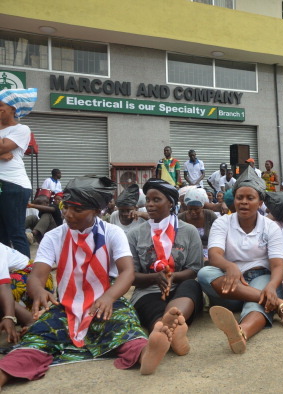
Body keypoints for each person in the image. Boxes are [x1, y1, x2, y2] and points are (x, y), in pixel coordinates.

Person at [0, 176, 172, 389]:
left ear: (97, 211)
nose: (68, 215)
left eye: (77, 210)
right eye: (66, 208)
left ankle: (146, 353)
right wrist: (38, 292)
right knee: (40, 335)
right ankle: (4, 373)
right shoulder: (54, 236)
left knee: (124, 326)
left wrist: (109, 297)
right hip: (64, 307)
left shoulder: (112, 233)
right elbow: (36, 276)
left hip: (105, 303)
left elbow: (127, 272)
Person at [197, 167, 283, 354]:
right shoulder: (222, 222)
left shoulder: (270, 227)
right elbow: (215, 254)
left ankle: (242, 333)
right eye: (239, 197)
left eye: (250, 198)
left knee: (258, 301)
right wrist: (230, 266)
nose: (243, 202)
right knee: (204, 273)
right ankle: (277, 303)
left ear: (260, 202)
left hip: (260, 277)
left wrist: (272, 286)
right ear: (234, 200)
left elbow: (277, 264)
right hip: (230, 286)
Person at [128, 179, 203, 358]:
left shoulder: (189, 231)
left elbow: (194, 269)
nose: (150, 205)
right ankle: (168, 330)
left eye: (156, 200)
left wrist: (173, 276)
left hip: (180, 288)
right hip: (148, 290)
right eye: (148, 200)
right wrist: (154, 278)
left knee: (191, 286)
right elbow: (130, 275)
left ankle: (167, 328)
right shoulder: (135, 234)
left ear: (170, 203)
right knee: (150, 305)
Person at [0, 88, 37, 258]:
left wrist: (2, 150)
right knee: (2, 236)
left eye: (1, 105)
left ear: (13, 109)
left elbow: (3, 147)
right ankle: (6, 275)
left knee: (15, 232)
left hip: (13, 185)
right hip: (2, 185)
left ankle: (25, 275)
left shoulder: (22, 129)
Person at [178, 187, 218, 261]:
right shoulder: (180, 218)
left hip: (209, 251)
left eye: (196, 209)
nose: (193, 212)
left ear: (202, 206)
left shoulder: (210, 215)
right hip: (188, 252)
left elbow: (219, 234)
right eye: (190, 209)